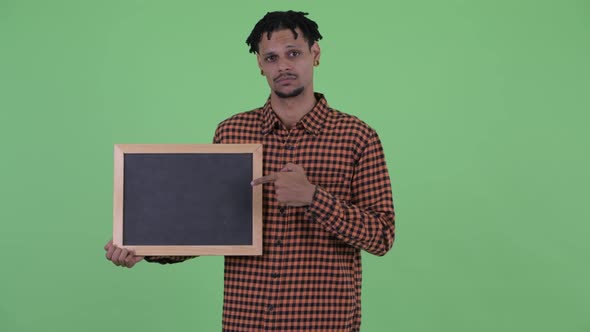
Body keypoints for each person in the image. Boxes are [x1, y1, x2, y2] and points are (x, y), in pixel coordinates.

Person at [105, 10, 396, 331]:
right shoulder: (232, 133)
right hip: (247, 319)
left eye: (293, 53)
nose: (283, 65)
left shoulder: (357, 136)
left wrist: (313, 197)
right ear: (260, 64)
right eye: (271, 57)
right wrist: (144, 246)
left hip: (324, 321)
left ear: (315, 54)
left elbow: (382, 236)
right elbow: (209, 228)